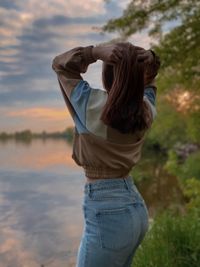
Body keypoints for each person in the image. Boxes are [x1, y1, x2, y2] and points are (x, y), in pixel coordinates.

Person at [52, 42, 160, 267]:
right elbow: (149, 84)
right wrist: (152, 60)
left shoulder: (91, 105)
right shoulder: (146, 111)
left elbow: (60, 65)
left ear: (107, 74)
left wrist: (93, 53)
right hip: (135, 207)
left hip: (107, 210)